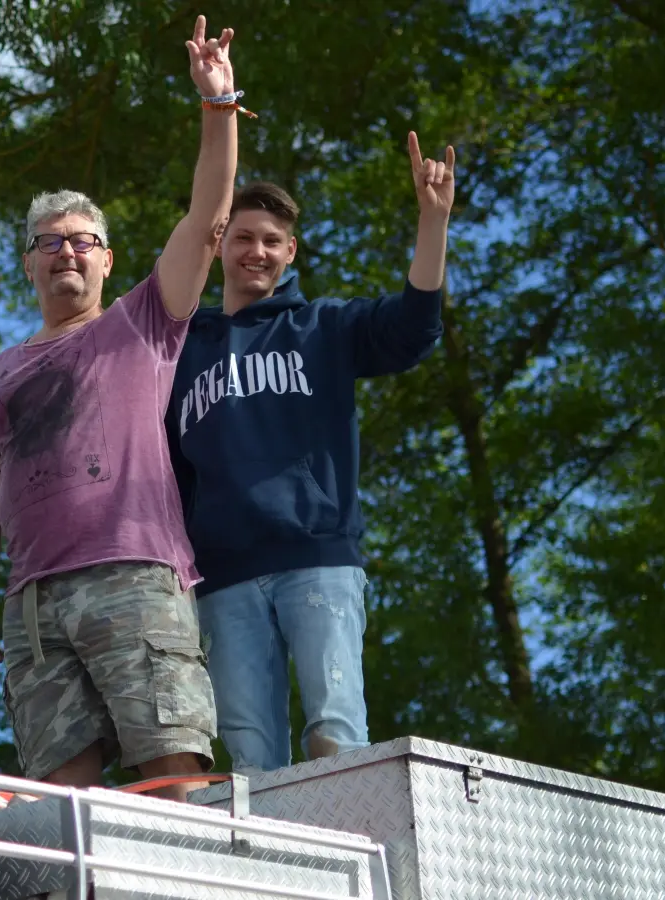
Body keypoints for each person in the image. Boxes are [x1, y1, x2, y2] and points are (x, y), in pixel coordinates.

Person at [0, 16, 242, 802]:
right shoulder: (0, 372)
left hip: (134, 573)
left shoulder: (143, 322)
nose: (68, 251)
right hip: (33, 605)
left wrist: (218, 109)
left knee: (172, 770)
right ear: (28, 265)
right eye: (50, 241)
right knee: (61, 797)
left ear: (109, 259)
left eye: (84, 239)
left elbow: (208, 221)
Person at [165, 134, 455, 773]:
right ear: (218, 246)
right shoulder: (182, 353)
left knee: (335, 737)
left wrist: (432, 224)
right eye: (242, 237)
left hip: (316, 558)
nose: (256, 251)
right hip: (222, 577)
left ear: (289, 252)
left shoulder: (323, 327)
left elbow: (412, 329)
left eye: (271, 240)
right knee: (251, 764)